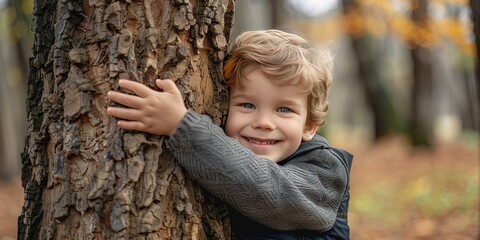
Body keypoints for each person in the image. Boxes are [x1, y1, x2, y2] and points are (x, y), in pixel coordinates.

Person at [107, 29, 352, 239]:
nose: (264, 122)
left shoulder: (325, 170)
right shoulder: (222, 156)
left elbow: (266, 189)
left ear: (309, 126)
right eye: (247, 105)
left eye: (284, 109)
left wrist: (181, 126)